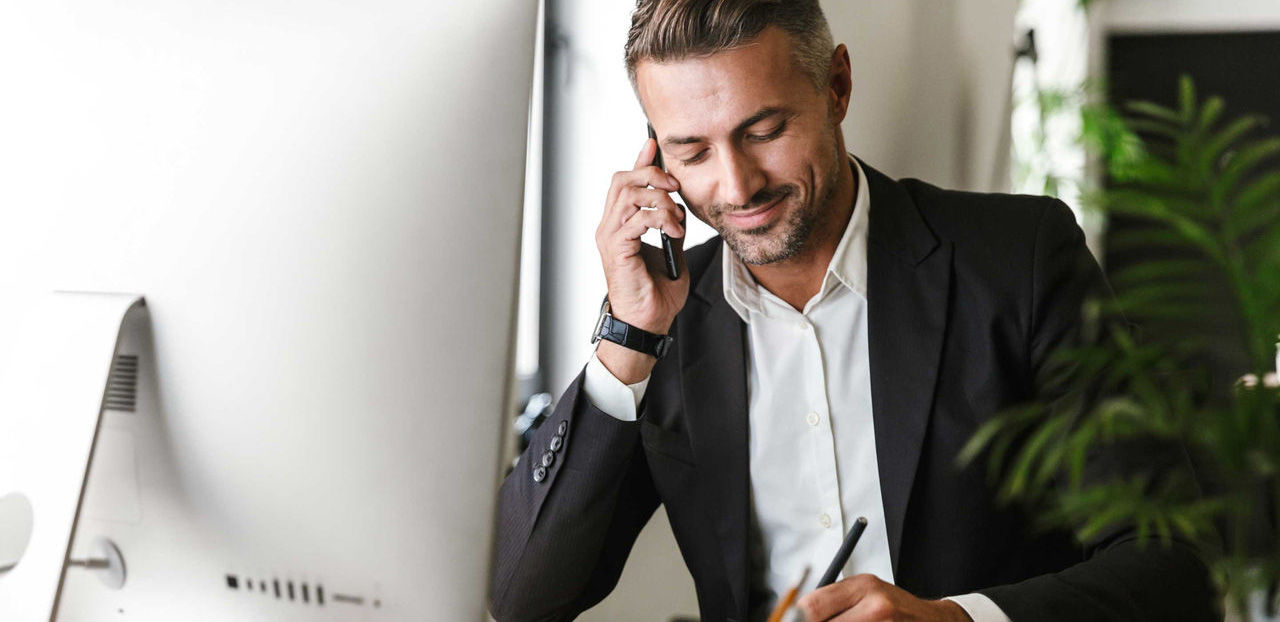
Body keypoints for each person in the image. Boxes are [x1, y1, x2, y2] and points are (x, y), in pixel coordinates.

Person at [489, 1, 1219, 620]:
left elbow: (1173, 568)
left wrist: (957, 619)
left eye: (764, 130)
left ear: (836, 86)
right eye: (693, 152)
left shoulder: (1019, 259)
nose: (736, 185)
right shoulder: (663, 320)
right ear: (656, 156)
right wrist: (626, 340)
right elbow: (524, 596)